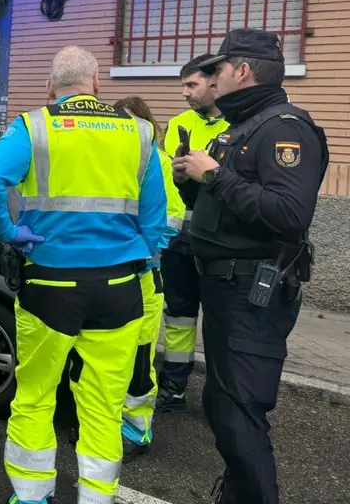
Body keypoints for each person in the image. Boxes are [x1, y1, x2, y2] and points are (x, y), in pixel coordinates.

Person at [0, 46, 167, 504]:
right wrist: (144, 257)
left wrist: (10, 232)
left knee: (36, 395)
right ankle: (96, 498)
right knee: (103, 406)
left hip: (50, 282)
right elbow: (155, 214)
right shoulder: (140, 133)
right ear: (97, 83)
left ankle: (30, 496)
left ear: (50, 86)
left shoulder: (35, 126)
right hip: (119, 286)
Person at [172, 28, 328, 504]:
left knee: (239, 411)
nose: (210, 78)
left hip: (252, 292)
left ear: (240, 70)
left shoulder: (284, 127)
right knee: (224, 405)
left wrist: (214, 176)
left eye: (216, 69)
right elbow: (224, 209)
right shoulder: (242, 127)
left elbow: (288, 213)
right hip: (226, 286)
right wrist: (191, 181)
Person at [155, 55, 229, 414]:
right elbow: (170, 180)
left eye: (191, 85)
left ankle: (222, 398)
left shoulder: (239, 125)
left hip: (219, 242)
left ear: (215, 84)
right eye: (183, 85)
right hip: (179, 238)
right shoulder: (178, 123)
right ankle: (173, 387)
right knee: (179, 316)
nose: (184, 93)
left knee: (221, 322)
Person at [113, 97, 185, 461]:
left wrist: (146, 253)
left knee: (139, 363)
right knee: (110, 360)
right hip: (115, 276)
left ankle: (136, 429)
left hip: (142, 277)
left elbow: (173, 217)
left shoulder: (158, 159)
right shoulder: (117, 159)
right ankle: (109, 424)